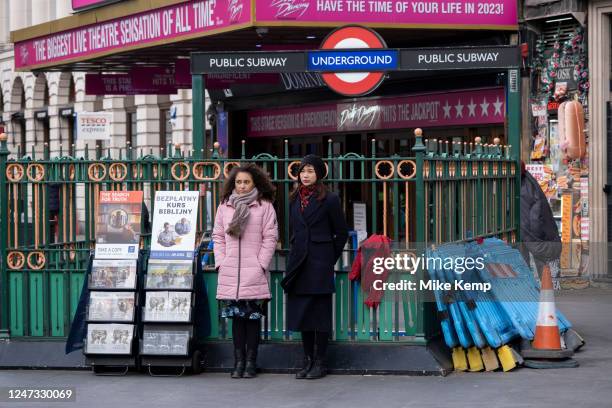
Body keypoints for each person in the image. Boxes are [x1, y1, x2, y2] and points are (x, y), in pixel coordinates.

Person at [281, 155, 348, 380]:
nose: (305, 175)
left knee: (319, 316)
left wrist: (329, 257)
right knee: (303, 316)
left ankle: (320, 362)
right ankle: (307, 360)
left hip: (319, 264)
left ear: (318, 174)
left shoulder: (330, 199)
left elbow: (341, 233)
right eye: (302, 171)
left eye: (310, 171)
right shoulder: (293, 199)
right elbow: (292, 231)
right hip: (298, 264)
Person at [212, 163, 278, 378]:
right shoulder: (224, 206)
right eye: (238, 182)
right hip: (231, 270)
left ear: (254, 183)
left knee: (252, 319)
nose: (241, 186)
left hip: (253, 271)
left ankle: (251, 362)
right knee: (237, 320)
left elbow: (270, 237)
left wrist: (261, 264)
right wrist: (221, 261)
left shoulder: (264, 206)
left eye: (246, 182)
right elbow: (218, 237)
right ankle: (238, 362)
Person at [519, 161, 562, 278]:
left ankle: (543, 287)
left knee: (534, 262)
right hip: (532, 233)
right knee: (536, 262)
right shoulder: (529, 181)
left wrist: (536, 233)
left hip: (531, 233)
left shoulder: (523, 187)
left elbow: (534, 216)